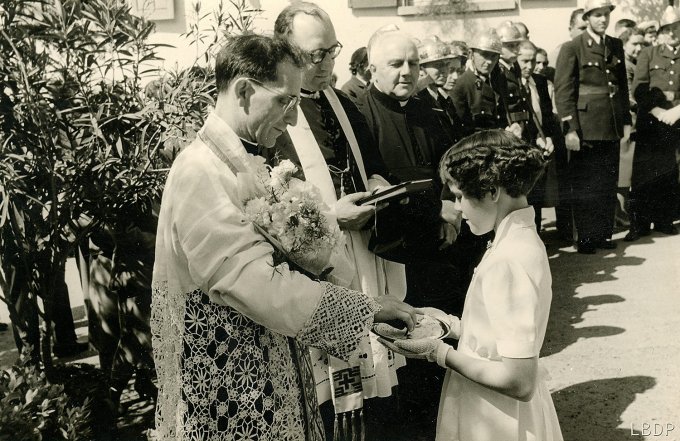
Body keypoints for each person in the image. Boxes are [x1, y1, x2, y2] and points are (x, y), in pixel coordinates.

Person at [150, 33, 418, 441]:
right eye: (285, 101)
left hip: (271, 369)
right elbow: (252, 283)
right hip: (233, 384)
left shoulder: (244, 159)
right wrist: (365, 309)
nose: (294, 118)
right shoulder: (199, 173)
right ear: (243, 91)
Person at [270, 4, 408, 438]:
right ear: (286, 51)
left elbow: (367, 161)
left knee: (373, 386)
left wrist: (378, 182)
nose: (328, 64)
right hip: (314, 273)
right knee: (330, 399)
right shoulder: (274, 112)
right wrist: (333, 217)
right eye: (317, 55)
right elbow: (270, 210)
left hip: (363, 258)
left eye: (333, 51)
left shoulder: (342, 102)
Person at [382, 130, 563, 441]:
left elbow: (519, 380)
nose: (457, 208)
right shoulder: (518, 238)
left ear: (492, 191)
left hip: (498, 419)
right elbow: (504, 336)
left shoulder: (509, 258)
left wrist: (437, 352)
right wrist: (452, 327)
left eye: (459, 196)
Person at [358, 27, 488, 439]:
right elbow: (383, 190)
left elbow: (446, 170)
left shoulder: (427, 111)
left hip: (441, 251)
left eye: (413, 63)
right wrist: (438, 213)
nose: (407, 72)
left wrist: (450, 218)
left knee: (446, 353)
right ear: (372, 68)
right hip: (397, 259)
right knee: (410, 368)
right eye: (396, 64)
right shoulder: (361, 115)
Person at [555, 0, 631, 254]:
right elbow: (564, 91)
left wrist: (626, 123)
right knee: (586, 184)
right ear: (587, 18)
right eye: (597, 15)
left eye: (606, 14)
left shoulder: (615, 45)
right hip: (585, 126)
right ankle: (587, 237)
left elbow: (621, 88)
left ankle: (602, 234)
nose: (602, 19)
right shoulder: (572, 47)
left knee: (607, 182)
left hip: (610, 125)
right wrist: (571, 129)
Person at [625, 6, 680, 241]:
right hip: (652, 122)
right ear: (660, 32)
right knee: (644, 174)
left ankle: (665, 219)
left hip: (677, 120)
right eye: (667, 30)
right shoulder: (648, 54)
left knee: (670, 172)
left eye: (676, 28)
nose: (672, 33)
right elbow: (639, 88)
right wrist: (657, 111)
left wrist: (678, 110)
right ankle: (640, 223)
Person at [516, 40, 557, 230]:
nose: (529, 66)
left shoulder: (540, 82)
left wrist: (548, 136)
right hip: (522, 145)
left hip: (541, 146)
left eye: (532, 61)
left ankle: (538, 235)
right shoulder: (512, 84)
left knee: (538, 195)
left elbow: (546, 115)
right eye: (524, 61)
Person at [451, 29, 508, 135]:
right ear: (471, 54)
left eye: (494, 56)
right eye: (485, 55)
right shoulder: (461, 84)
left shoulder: (499, 81)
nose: (490, 61)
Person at [416, 36, 464, 142]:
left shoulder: (444, 99)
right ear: (421, 68)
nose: (444, 70)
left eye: (446, 65)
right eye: (438, 65)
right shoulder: (418, 101)